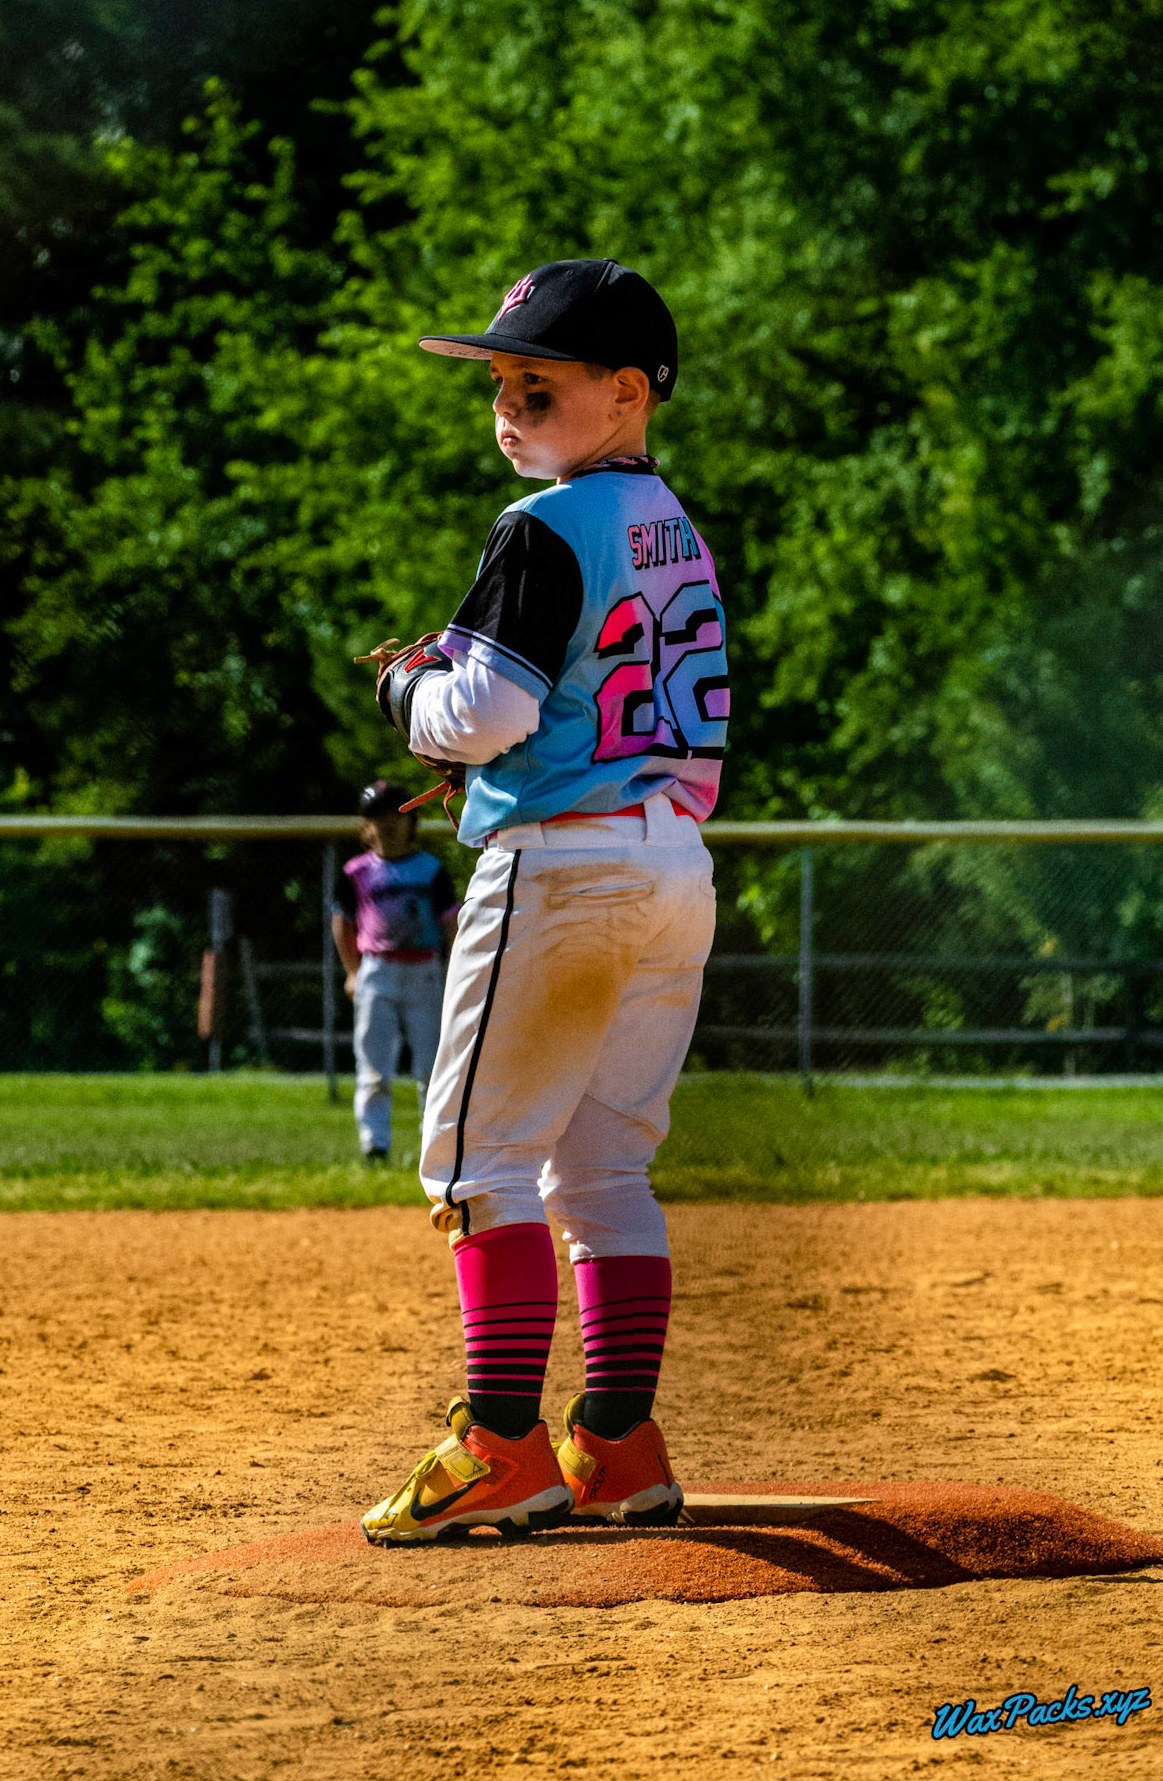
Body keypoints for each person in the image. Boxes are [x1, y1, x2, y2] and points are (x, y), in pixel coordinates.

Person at [358, 259, 729, 1544]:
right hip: (674, 862)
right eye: (501, 386)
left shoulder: (541, 529)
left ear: (628, 392)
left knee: (474, 1160)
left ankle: (501, 1440)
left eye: (538, 384)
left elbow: (494, 711)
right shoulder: (674, 524)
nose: (507, 408)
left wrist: (413, 693)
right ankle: (620, 1445)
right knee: (608, 1164)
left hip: (562, 867)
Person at [332, 780, 460, 1163]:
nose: (388, 823)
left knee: (432, 1066)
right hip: (377, 971)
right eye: (378, 816)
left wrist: (453, 970)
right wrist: (352, 972)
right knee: (374, 1067)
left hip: (424, 971)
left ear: (412, 821)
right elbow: (343, 923)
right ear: (365, 825)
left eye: (397, 815)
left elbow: (450, 923)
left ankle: (434, 1149)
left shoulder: (430, 869)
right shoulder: (356, 871)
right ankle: (375, 1145)